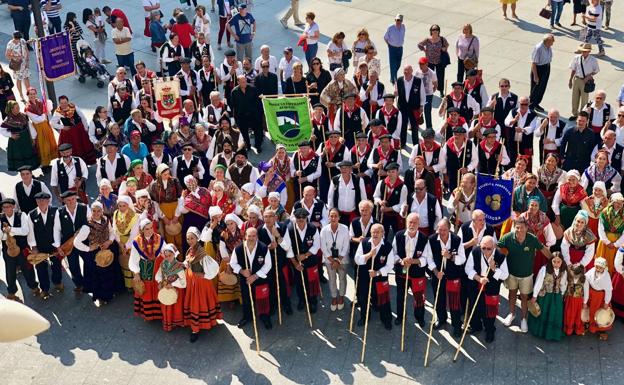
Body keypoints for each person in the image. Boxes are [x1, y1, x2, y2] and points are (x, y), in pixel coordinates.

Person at [499, 218, 552, 333]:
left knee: (524, 297)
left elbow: (543, 250)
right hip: (511, 274)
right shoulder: (508, 237)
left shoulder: (532, 239)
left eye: (522, 228)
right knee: (512, 294)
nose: (519, 230)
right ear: (514, 227)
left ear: (527, 228)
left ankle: (524, 319)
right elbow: (498, 246)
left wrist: (554, 261)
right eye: (517, 227)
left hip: (527, 275)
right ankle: (511, 314)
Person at [424, 218, 466, 337]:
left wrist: (450, 257)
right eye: (439, 229)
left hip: (453, 276)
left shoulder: (457, 240)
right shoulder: (431, 239)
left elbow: (462, 259)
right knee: (439, 299)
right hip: (438, 275)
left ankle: (456, 325)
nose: (441, 232)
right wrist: (436, 272)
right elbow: (429, 258)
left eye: (444, 230)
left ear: (449, 229)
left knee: (454, 301)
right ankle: (441, 319)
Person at [465, 235, 508, 342]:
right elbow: (468, 268)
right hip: (477, 285)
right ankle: (476, 326)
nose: (485, 251)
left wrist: (494, 268)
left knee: (490, 311)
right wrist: (478, 278)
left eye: (489, 248)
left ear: (494, 247)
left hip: (492, 287)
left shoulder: (500, 256)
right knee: (475, 307)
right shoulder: (475, 251)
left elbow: (505, 275)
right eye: (483, 248)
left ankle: (490, 330)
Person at [73, 201, 115, 307]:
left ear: (102, 211)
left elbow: (112, 232)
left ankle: (108, 294)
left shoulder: (106, 220)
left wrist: (109, 241)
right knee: (98, 276)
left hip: (106, 250)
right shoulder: (87, 226)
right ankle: (101, 297)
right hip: (95, 254)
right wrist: (88, 248)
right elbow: (76, 242)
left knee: (108, 274)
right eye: (94, 211)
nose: (96, 213)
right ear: (91, 211)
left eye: (98, 211)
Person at [184, 226, 222, 341]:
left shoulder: (202, 253)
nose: (190, 240)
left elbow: (214, 268)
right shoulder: (190, 250)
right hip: (192, 281)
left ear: (197, 238)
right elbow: (188, 262)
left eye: (192, 238)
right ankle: (199, 324)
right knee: (196, 303)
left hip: (201, 284)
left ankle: (195, 329)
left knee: (198, 303)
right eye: (188, 238)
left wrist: (205, 275)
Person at [354, 223, 394, 329]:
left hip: (380, 277)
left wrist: (377, 272)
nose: (375, 234)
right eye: (373, 232)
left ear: (383, 233)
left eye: (378, 232)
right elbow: (357, 259)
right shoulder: (364, 242)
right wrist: (369, 255)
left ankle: (386, 319)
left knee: (383, 299)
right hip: (365, 276)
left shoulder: (388, 246)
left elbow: (390, 265)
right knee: (363, 297)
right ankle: (364, 317)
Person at [392, 213, 429, 327]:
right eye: (410, 222)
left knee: (419, 298)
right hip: (402, 273)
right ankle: (400, 316)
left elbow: (426, 258)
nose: (412, 225)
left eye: (414, 223)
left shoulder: (424, 238)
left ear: (419, 224)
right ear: (406, 223)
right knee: (400, 296)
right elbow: (393, 254)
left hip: (417, 274)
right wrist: (401, 261)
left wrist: (413, 261)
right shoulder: (398, 236)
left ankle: (419, 317)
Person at [1, 198, 40, 302]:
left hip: (22, 248)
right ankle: (11, 293)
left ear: (13, 207)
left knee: (28, 268)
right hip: (8, 250)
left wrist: (10, 230)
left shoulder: (21, 215)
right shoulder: (0, 218)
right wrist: (7, 234)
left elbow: (25, 231)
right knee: (10, 272)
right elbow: (1, 236)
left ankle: (34, 287)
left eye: (9, 206)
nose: (6, 209)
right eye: (4, 207)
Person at [528, 252, 567, 341]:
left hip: (556, 296)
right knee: (543, 312)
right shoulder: (544, 269)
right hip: (544, 295)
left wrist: (562, 294)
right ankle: (540, 331)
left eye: (558, 262)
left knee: (554, 313)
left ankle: (552, 333)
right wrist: (534, 296)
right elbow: (539, 282)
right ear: (551, 261)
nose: (556, 264)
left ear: (562, 262)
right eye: (554, 261)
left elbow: (563, 284)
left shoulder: (563, 271)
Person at [289, 207, 321, 313]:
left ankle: (313, 301)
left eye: (303, 219)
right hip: (297, 263)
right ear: (295, 219)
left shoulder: (312, 228)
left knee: (312, 282)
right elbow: (288, 249)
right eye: (298, 220)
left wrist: (306, 255)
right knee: (299, 282)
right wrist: (295, 264)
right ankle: (302, 300)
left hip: (310, 260)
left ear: (306, 218)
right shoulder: (290, 229)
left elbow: (316, 245)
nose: (300, 222)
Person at [51, 96, 97, 165]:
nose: (64, 104)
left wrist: (86, 128)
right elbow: (52, 123)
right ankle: (76, 164)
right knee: (74, 147)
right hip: (69, 133)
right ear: (59, 103)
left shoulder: (73, 106)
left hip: (79, 130)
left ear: (68, 101)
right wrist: (63, 127)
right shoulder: (58, 112)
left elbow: (82, 117)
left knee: (83, 145)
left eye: (65, 102)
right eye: (62, 103)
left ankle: (85, 162)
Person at [319, 209, 349, 312]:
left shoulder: (345, 228)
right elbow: (323, 246)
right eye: (331, 216)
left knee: (342, 278)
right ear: (328, 217)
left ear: (339, 217)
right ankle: (334, 298)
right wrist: (332, 261)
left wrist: (338, 260)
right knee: (332, 279)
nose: (333, 218)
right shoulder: (324, 230)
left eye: (335, 216)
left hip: (342, 259)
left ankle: (341, 297)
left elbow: (346, 246)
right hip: (329, 260)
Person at [154, 244, 186, 331]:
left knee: (175, 308)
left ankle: (176, 322)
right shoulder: (163, 263)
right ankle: (168, 322)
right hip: (165, 288)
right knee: (166, 306)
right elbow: (158, 275)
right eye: (166, 255)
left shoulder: (179, 266)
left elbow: (184, 283)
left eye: (170, 255)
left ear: (174, 254)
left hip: (176, 290)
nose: (167, 257)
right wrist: (160, 281)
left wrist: (172, 284)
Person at [0, 100, 39, 171]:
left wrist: (33, 138)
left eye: (18, 107)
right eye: (16, 108)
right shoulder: (8, 120)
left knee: (28, 156)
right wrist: (11, 135)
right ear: (11, 109)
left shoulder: (23, 116)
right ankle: (24, 173)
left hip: (26, 139)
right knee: (20, 158)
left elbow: (29, 126)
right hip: (16, 142)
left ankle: (30, 173)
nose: (18, 109)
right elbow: (2, 130)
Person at [230, 76, 262, 152]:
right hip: (241, 115)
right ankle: (248, 145)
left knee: (258, 131)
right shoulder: (234, 91)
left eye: (245, 81)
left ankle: (258, 146)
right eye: (243, 82)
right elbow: (233, 105)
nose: (245, 83)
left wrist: (258, 114)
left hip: (253, 115)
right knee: (244, 132)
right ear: (238, 82)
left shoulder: (253, 88)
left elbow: (258, 102)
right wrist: (235, 118)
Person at [504, 96, 538, 167]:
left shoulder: (533, 114)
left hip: (525, 143)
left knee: (525, 162)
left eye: (526, 104)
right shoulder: (513, 111)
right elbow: (506, 122)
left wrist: (522, 130)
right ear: (519, 103)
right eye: (522, 104)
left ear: (529, 104)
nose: (523, 106)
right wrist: (514, 120)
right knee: (512, 160)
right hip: (512, 142)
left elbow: (532, 127)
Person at [584, 257, 612, 340]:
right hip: (591, 294)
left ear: (604, 267)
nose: (598, 269)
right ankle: (588, 325)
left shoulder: (606, 276)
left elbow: (608, 290)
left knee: (600, 313)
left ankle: (601, 329)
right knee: (590, 311)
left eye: (601, 267)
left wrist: (606, 302)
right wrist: (585, 301)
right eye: (597, 267)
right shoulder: (591, 272)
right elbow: (586, 282)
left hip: (600, 297)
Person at [569, 43, 600, 121]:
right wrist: (570, 80)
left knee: (584, 99)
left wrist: (589, 76)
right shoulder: (576, 58)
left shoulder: (593, 60)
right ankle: (575, 114)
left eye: (585, 51)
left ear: (589, 51)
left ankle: (582, 115)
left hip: (586, 81)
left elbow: (596, 70)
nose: (583, 52)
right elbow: (573, 69)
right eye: (582, 51)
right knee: (574, 98)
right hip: (577, 79)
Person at [418, 24, 449, 97]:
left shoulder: (442, 39)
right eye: (433, 30)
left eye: (436, 29)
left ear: (438, 31)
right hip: (430, 62)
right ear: (431, 31)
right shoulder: (428, 39)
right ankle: (429, 90)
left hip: (439, 61)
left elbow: (447, 45)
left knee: (440, 77)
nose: (435, 31)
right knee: (429, 76)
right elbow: (419, 44)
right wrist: (424, 50)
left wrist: (444, 49)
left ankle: (441, 91)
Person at [530, 34, 554, 112]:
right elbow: (534, 63)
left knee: (542, 87)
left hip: (546, 67)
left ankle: (536, 103)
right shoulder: (538, 48)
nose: (552, 44)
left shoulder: (548, 47)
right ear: (546, 41)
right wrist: (535, 76)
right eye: (551, 42)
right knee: (536, 89)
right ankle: (531, 106)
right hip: (539, 69)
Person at [5, 31, 30, 103]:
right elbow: (7, 55)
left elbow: (26, 50)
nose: (18, 40)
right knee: (19, 80)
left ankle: (29, 94)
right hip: (17, 65)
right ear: (14, 37)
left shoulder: (22, 41)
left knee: (26, 78)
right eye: (17, 38)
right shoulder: (10, 44)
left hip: (24, 63)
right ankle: (21, 95)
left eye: (19, 38)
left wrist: (27, 61)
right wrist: (15, 56)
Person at [384, 14, 405, 84]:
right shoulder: (391, 28)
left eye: (400, 20)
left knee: (398, 64)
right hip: (392, 48)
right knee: (393, 64)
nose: (398, 21)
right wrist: (389, 45)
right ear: (395, 20)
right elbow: (385, 37)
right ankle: (394, 79)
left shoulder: (403, 27)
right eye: (397, 20)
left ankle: (393, 76)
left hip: (400, 48)